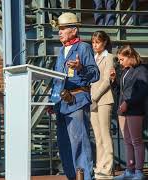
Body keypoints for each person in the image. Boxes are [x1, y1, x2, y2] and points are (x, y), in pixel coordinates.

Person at [50, 12, 100, 180]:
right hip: (61, 103)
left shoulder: (83, 47)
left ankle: (85, 177)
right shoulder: (62, 51)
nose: (60, 32)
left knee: (79, 141)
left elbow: (95, 74)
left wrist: (81, 68)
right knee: (64, 144)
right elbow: (56, 79)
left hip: (76, 100)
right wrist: (52, 100)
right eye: (59, 29)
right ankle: (72, 176)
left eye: (63, 28)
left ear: (74, 30)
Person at [112, 45, 148, 180]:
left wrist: (128, 103)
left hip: (134, 109)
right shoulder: (125, 71)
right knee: (127, 141)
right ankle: (129, 169)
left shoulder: (141, 70)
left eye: (122, 59)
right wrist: (113, 81)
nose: (120, 62)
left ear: (130, 57)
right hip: (123, 109)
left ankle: (139, 171)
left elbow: (142, 92)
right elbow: (120, 91)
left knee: (136, 140)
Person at [90, 31, 115, 179]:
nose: (95, 45)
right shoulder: (93, 58)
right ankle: (100, 166)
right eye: (93, 42)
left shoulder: (109, 57)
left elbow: (107, 80)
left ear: (104, 43)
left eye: (97, 42)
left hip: (104, 99)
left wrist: (94, 96)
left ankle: (108, 167)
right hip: (92, 101)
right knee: (97, 136)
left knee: (105, 134)